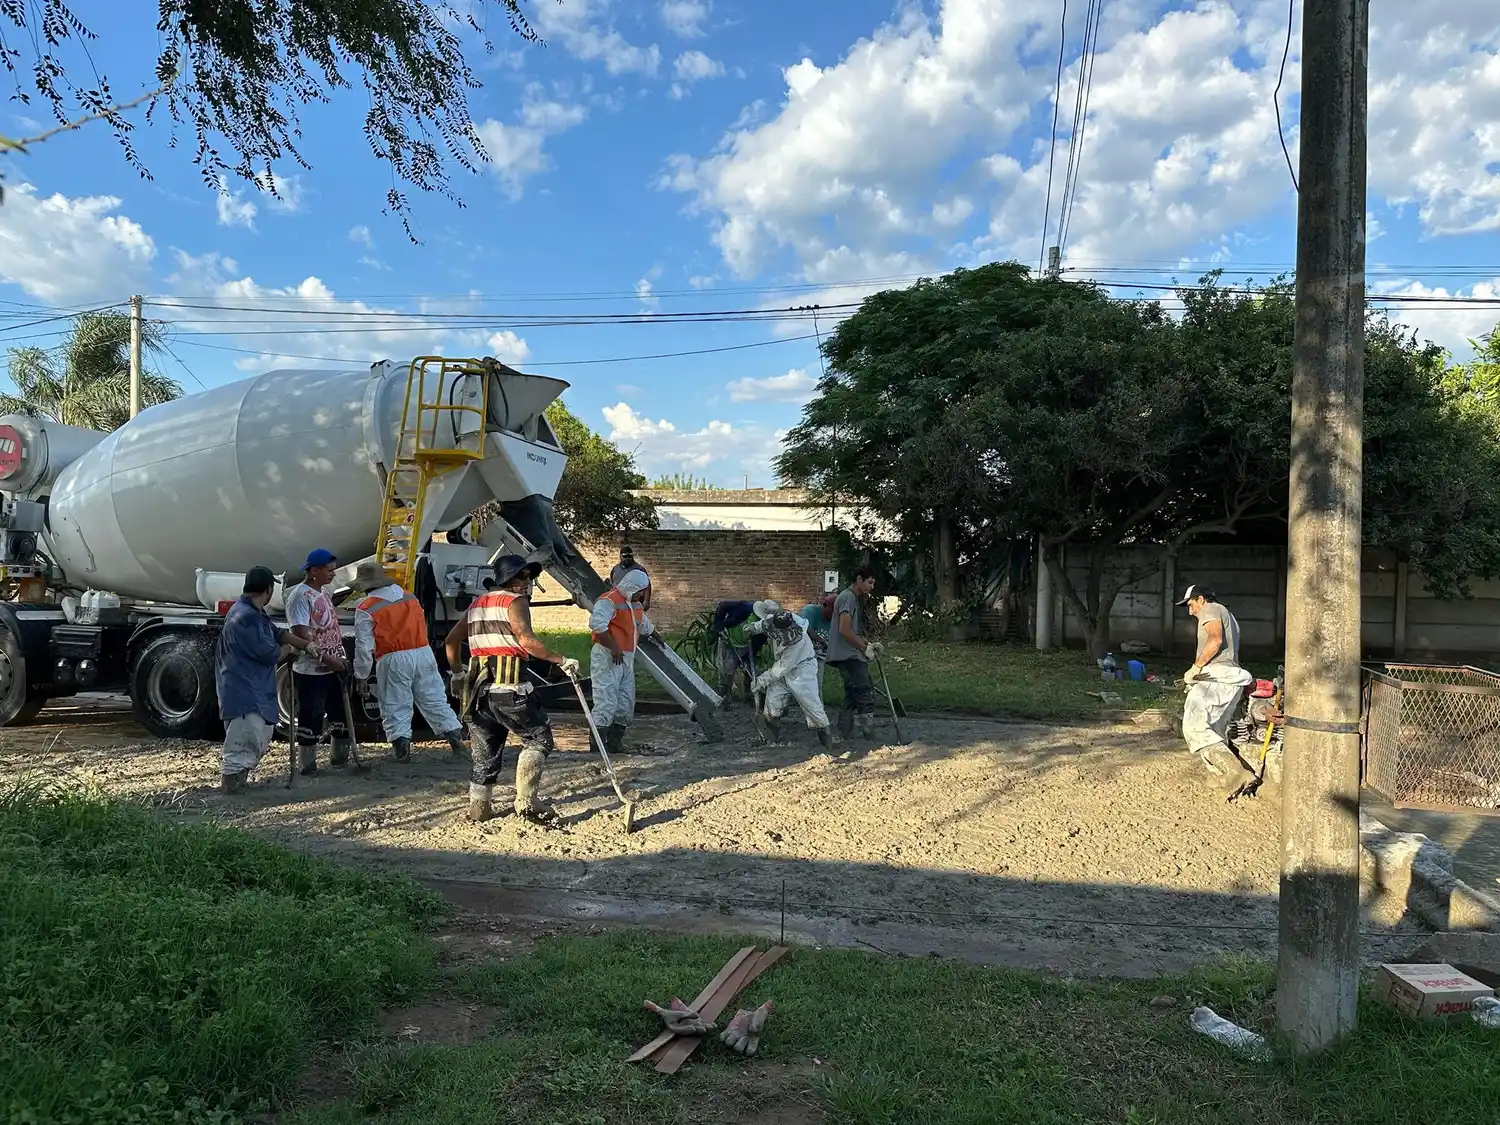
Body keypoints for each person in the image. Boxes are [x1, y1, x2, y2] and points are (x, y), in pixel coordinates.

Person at [444, 554, 580, 823]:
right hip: (510, 686)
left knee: (485, 751)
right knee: (538, 739)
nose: (527, 582)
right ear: (508, 579)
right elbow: (526, 640)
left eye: (529, 577)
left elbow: (451, 641)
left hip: (478, 692)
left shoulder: (477, 604)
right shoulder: (514, 602)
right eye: (523, 576)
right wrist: (561, 660)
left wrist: (458, 673)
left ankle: (479, 809)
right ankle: (526, 803)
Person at [352, 560, 466, 763]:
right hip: (423, 652)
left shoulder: (366, 607)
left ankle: (402, 753)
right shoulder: (408, 596)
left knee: (395, 705)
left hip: (392, 658)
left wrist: (361, 675)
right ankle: (457, 743)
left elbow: (363, 647)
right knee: (435, 699)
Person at [215, 566, 315, 793]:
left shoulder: (252, 612)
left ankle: (237, 782)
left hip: (250, 687)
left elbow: (278, 633)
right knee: (244, 738)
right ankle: (232, 785)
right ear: (269, 589)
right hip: (244, 689)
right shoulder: (247, 618)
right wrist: (291, 649)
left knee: (257, 737)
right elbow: (271, 654)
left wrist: (306, 645)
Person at [1177, 584, 1256, 798]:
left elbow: (1215, 640)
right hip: (1230, 680)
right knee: (1215, 729)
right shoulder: (1228, 615)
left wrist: (1196, 667)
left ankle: (1236, 774)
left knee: (1195, 728)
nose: (1190, 611)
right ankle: (1221, 776)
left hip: (1217, 677)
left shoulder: (1211, 609)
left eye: (1191, 604)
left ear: (1201, 599)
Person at [284, 548, 351, 776]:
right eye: (329, 571)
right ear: (314, 571)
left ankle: (339, 759)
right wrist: (328, 659)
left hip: (333, 665)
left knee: (339, 712)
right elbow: (302, 635)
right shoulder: (300, 597)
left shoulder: (323, 593)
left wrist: (339, 658)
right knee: (311, 714)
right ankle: (307, 765)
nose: (333, 575)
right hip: (312, 669)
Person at [745, 599, 832, 748]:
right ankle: (771, 740)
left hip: (802, 669)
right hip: (782, 669)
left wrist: (760, 681)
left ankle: (827, 742)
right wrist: (751, 628)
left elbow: (780, 669)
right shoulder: (776, 620)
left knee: (812, 705)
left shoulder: (795, 642)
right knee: (772, 702)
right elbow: (762, 625)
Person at [589, 567, 654, 755]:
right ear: (632, 587)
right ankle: (597, 749)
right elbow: (598, 626)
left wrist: (657, 637)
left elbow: (644, 626)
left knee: (625, 703)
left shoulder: (635, 606)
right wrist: (614, 647)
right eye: (640, 591)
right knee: (606, 701)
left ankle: (615, 744)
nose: (642, 595)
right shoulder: (608, 601)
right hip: (607, 657)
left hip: (626, 659)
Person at [825, 567, 883, 740]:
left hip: (849, 652)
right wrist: (864, 649)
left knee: (853, 691)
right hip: (846, 654)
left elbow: (852, 630)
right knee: (864, 689)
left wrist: (868, 643)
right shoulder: (848, 597)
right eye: (870, 582)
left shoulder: (851, 598)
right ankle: (868, 731)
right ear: (859, 579)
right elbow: (844, 629)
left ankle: (842, 731)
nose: (871, 587)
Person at [707, 599, 768, 704]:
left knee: (749, 670)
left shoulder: (764, 630)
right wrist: (718, 625)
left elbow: (755, 647)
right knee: (728, 669)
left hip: (746, 646)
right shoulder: (743, 607)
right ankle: (725, 698)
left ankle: (748, 697)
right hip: (729, 639)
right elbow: (722, 605)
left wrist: (746, 659)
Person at [797, 593, 836, 680]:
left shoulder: (835, 621)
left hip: (819, 654)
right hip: (800, 652)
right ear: (825, 606)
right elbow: (804, 628)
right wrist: (822, 641)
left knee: (817, 683)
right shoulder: (810, 610)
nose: (835, 615)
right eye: (833, 611)